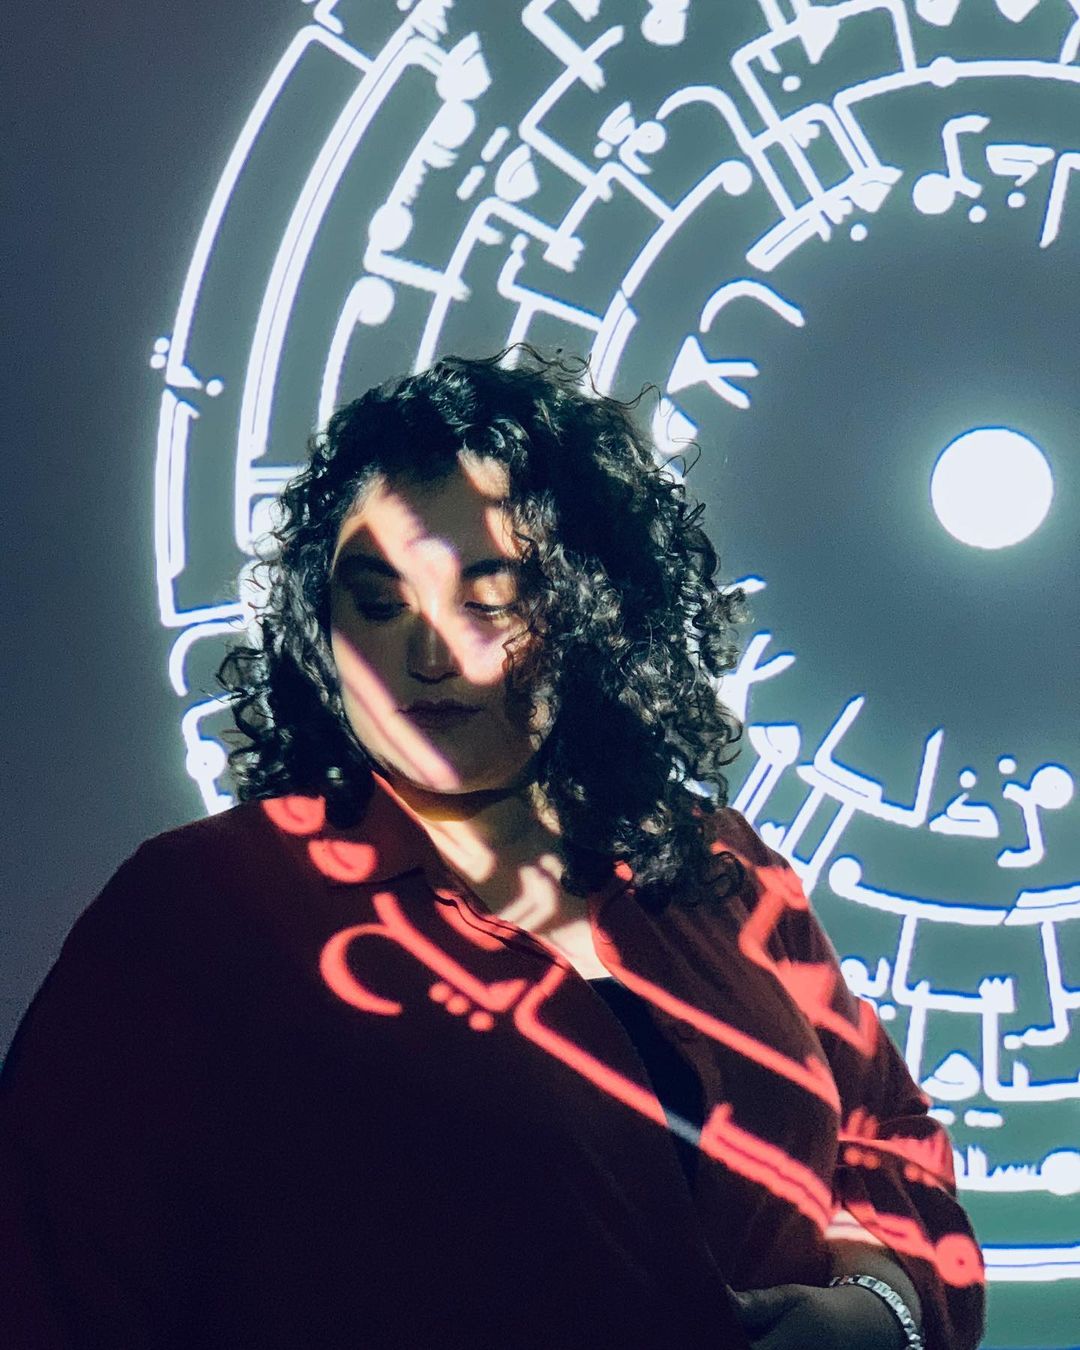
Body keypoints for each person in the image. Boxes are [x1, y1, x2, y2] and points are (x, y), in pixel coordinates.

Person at [0, 349, 985, 1349]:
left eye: (489, 599)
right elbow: (48, 1282)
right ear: (320, 626)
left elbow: (892, 1143)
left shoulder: (721, 866)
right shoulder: (206, 905)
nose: (429, 655)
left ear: (594, 612)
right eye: (379, 602)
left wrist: (879, 1313)